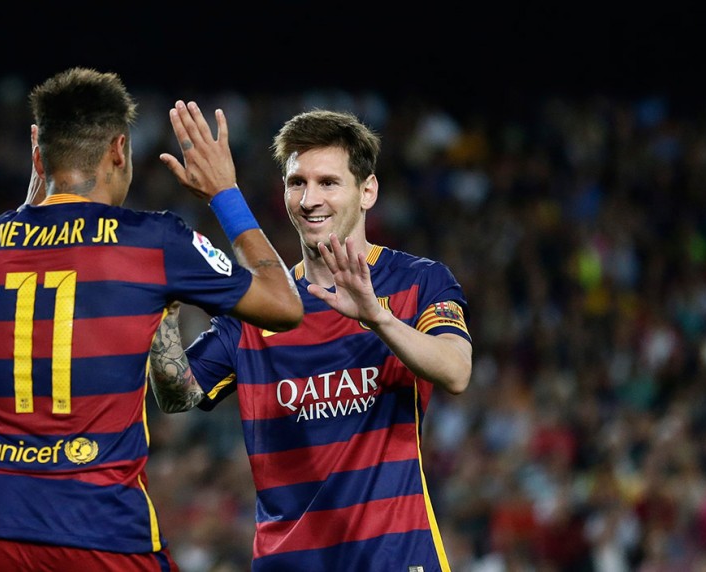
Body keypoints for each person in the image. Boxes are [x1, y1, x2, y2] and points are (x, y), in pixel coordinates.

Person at [0, 67, 302, 571]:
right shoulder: (153, 241)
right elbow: (284, 305)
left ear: (38, 156)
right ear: (119, 150)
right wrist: (225, 194)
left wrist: (24, 212)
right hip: (102, 530)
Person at [148, 109, 473, 571]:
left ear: (367, 191)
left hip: (397, 560)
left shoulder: (417, 281)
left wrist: (377, 318)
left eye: (328, 183)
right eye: (297, 182)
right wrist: (163, 305)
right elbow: (177, 393)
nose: (309, 199)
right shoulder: (260, 306)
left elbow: (457, 371)